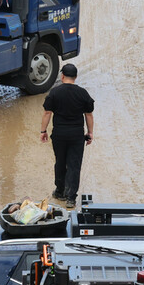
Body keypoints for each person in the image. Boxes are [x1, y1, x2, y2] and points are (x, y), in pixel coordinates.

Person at [40, 63, 95, 209]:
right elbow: (88, 115)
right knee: (74, 165)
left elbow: (47, 113)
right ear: (75, 77)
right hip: (77, 135)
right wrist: (90, 133)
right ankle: (71, 198)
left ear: (62, 75)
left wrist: (43, 131)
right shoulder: (83, 93)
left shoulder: (55, 92)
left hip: (59, 134)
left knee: (60, 162)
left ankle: (60, 191)